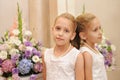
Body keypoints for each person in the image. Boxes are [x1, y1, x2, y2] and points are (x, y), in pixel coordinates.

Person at [42, 13, 84, 80]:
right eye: (58, 28)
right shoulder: (46, 54)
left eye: (66, 31)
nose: (60, 33)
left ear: (72, 36)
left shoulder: (77, 56)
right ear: (52, 30)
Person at [73, 13, 107, 80]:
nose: (100, 32)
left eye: (100, 28)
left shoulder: (93, 49)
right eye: (95, 30)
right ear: (83, 35)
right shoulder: (87, 54)